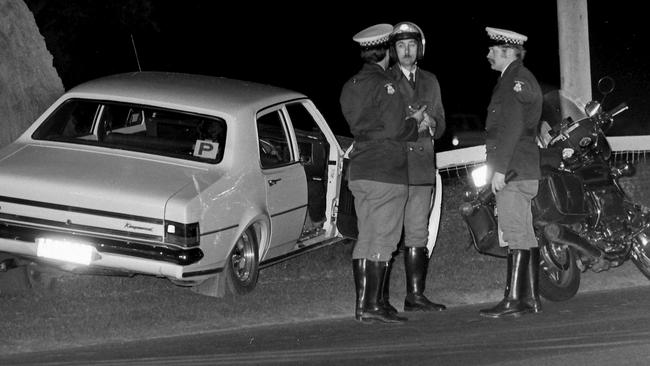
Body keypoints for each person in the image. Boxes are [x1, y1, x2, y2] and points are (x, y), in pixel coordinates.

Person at [339, 23, 429, 323]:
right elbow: (396, 129)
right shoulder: (386, 86)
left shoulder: (350, 85)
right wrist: (414, 121)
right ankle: (374, 305)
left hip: (360, 169)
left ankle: (364, 304)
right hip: (385, 171)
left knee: (365, 237)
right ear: (386, 52)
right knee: (385, 240)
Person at [479, 27, 543, 318]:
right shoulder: (519, 77)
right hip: (526, 167)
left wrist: (499, 170)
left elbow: (511, 129)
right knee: (526, 234)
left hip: (514, 169)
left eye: (493, 50)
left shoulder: (513, 81)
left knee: (515, 233)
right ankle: (531, 299)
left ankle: (513, 300)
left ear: (507, 52)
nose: (488, 54)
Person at [387, 22, 446, 312]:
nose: (406, 51)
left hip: (421, 166)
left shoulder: (431, 80)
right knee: (386, 231)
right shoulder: (384, 81)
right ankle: (378, 299)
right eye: (401, 46)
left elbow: (441, 122)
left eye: (411, 45)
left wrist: (431, 122)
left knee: (417, 232)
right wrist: (414, 122)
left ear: (419, 48)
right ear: (393, 49)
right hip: (395, 168)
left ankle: (415, 295)